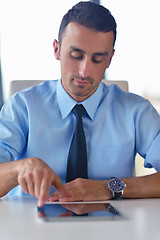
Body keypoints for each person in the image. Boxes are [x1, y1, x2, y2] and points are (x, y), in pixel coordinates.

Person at [0, 1, 160, 208]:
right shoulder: (21, 108)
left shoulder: (136, 112)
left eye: (97, 59)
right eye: (76, 56)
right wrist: (18, 169)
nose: (84, 71)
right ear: (56, 50)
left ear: (110, 58)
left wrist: (109, 187)